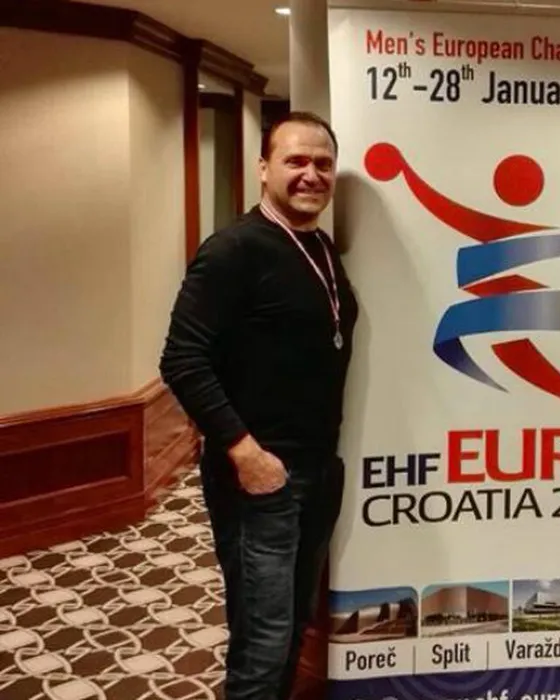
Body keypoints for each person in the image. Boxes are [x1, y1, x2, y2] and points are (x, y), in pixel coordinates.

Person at [159, 111, 358, 700]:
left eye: (323, 163)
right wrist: (246, 454)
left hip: (317, 470)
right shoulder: (233, 250)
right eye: (295, 161)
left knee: (293, 627)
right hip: (261, 481)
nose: (311, 174)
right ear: (264, 168)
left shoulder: (319, 245)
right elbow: (181, 360)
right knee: (263, 642)